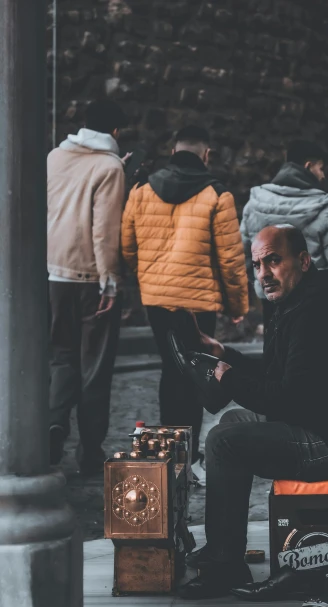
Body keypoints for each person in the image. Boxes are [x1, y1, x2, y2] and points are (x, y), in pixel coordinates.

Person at [178, 224, 328, 599]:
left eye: (273, 260)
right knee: (232, 423)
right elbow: (278, 377)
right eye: (257, 265)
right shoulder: (299, 301)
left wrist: (231, 379)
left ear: (302, 261)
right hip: (321, 425)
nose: (264, 274)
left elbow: (288, 399)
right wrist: (227, 357)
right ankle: (224, 547)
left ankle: (224, 564)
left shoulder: (315, 310)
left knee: (223, 441)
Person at [121, 125, 248, 463]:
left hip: (157, 299)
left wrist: (146, 278)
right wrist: (237, 304)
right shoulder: (218, 195)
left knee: (169, 365)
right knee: (194, 368)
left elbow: (127, 246)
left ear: (174, 152)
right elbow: (231, 259)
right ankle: (188, 455)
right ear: (206, 154)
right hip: (198, 301)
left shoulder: (142, 190)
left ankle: (170, 449)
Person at [48, 99, 128, 475]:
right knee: (94, 368)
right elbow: (103, 230)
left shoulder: (55, 157)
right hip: (88, 279)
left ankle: (54, 425)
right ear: (115, 132)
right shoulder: (110, 167)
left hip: (52, 275)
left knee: (61, 359)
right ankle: (90, 452)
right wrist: (109, 283)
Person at [241, 140, 328, 328]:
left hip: (271, 296)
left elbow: (242, 253)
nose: (323, 176)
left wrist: (260, 281)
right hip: (314, 303)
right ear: (308, 166)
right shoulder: (325, 208)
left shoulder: (255, 203)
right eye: (321, 168)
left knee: (275, 353)